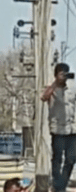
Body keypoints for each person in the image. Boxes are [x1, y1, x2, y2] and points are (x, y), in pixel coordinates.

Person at [41, 63, 76, 192]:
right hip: (58, 129)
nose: (64, 77)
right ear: (56, 75)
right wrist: (56, 83)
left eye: (66, 73)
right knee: (57, 159)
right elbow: (44, 97)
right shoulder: (51, 88)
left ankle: (60, 186)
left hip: (72, 128)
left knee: (71, 158)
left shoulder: (72, 88)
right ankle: (58, 186)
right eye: (62, 74)